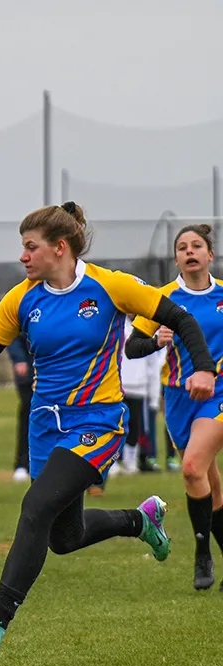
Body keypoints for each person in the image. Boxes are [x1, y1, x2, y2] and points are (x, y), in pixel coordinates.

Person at [0, 202, 215, 662]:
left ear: (59, 247)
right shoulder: (20, 299)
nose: (23, 256)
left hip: (98, 422)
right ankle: (140, 521)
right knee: (64, 537)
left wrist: (204, 368)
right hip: (45, 426)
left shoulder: (110, 285)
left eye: (30, 247)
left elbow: (182, 319)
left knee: (35, 506)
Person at [126, 224, 223, 590]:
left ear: (210, 255)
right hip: (178, 398)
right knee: (208, 482)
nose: (189, 251)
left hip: (217, 393)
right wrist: (155, 340)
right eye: (182, 247)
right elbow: (132, 347)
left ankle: (202, 554)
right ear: (176, 259)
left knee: (192, 467)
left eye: (197, 246)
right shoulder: (163, 298)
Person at [117, 317, 162, 475]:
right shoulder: (117, 326)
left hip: (139, 387)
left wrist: (154, 397)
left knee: (135, 427)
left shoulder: (145, 329)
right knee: (115, 427)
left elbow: (153, 366)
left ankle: (131, 462)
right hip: (118, 387)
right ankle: (113, 463)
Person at [6, 334, 34, 483]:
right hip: (29, 373)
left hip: (55, 373)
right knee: (28, 415)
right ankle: (22, 464)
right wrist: (19, 358)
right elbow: (13, 334)